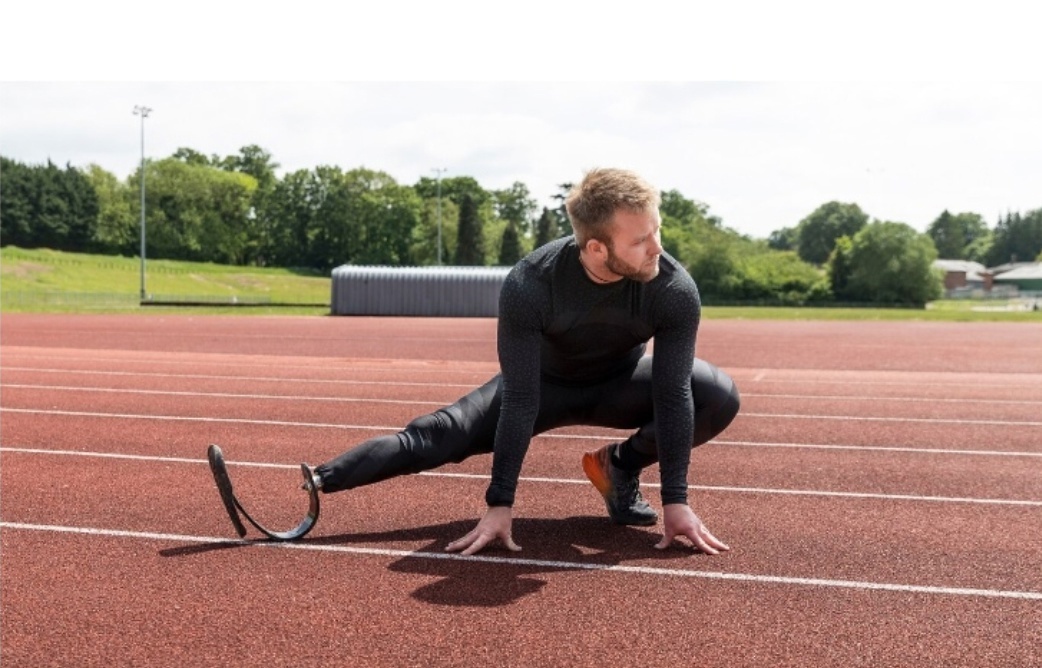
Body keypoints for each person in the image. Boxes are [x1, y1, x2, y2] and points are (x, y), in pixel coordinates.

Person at [308, 167, 741, 556]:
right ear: (595, 248)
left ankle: (619, 466)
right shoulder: (531, 283)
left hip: (620, 384)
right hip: (540, 386)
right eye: (640, 240)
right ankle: (322, 479)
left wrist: (676, 501)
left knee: (716, 396)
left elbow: (671, 392)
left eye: (657, 230)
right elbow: (519, 398)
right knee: (434, 436)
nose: (657, 248)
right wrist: (500, 503)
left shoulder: (672, 287)